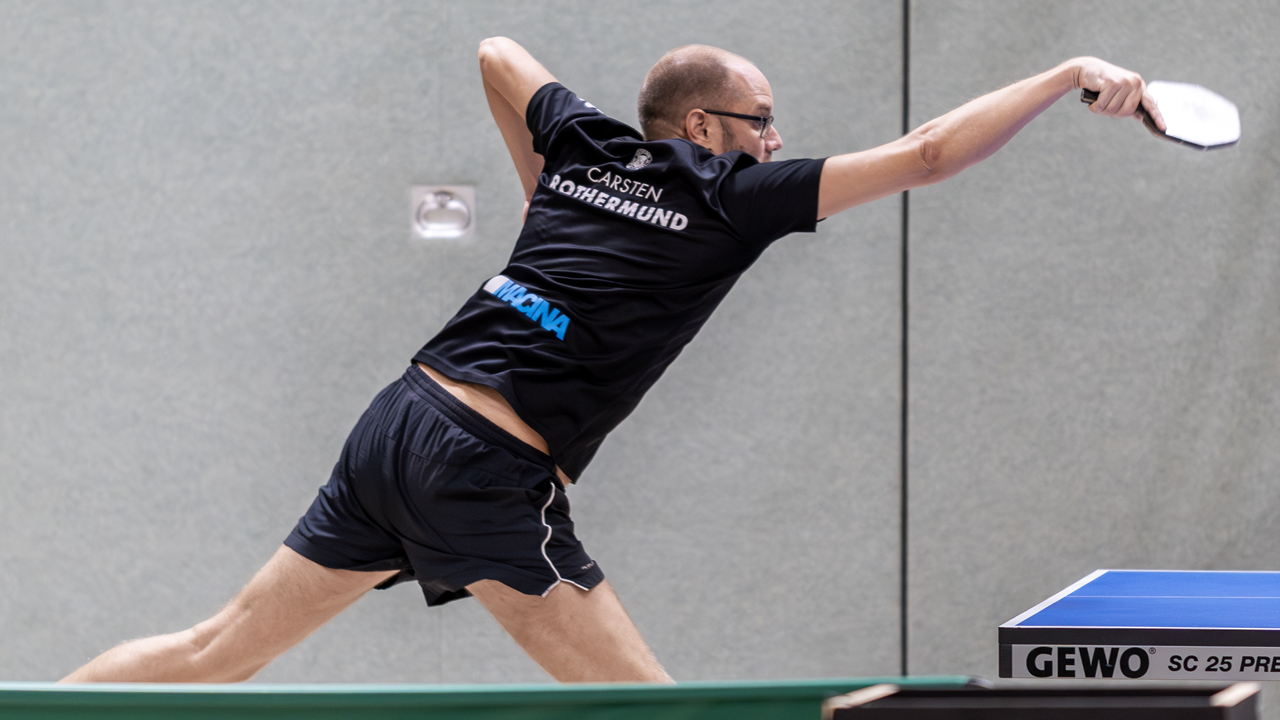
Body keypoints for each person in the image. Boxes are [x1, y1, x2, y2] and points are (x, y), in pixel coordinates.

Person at [61, 38, 1162, 685]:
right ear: (701, 124)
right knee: (654, 707)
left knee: (213, 653)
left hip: (397, 423)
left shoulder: (586, 144)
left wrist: (539, 184)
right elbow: (925, 155)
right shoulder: (731, 196)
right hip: (484, 467)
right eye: (761, 121)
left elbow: (496, 51)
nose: (776, 141)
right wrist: (1067, 71)